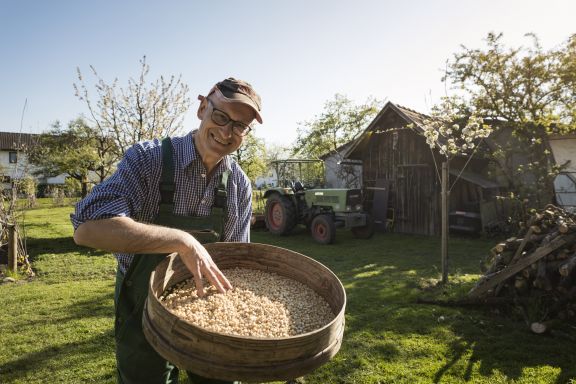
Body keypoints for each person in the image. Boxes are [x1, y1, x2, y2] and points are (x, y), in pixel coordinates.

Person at [71, 77, 263, 384]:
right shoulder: (149, 159)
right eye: (221, 117)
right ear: (203, 108)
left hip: (209, 312)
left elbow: (235, 263)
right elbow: (87, 229)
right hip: (142, 307)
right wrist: (180, 240)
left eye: (240, 126)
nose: (227, 132)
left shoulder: (239, 185)